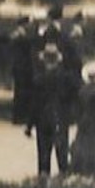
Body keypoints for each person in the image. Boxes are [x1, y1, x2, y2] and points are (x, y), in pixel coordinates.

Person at [27, 41, 74, 178]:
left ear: (44, 60)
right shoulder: (66, 78)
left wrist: (29, 126)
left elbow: (34, 106)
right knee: (62, 158)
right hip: (60, 120)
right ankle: (64, 185)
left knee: (43, 158)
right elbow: (73, 99)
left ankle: (43, 186)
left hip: (43, 123)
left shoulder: (38, 80)